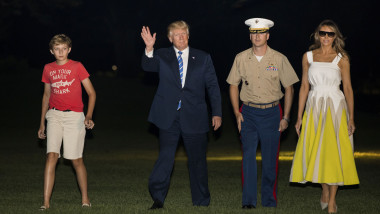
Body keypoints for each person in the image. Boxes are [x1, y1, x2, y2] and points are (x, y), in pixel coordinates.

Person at [140, 20, 222, 209]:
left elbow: (213, 86)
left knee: (198, 161)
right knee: (166, 158)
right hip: (169, 116)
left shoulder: (203, 57)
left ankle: (201, 201)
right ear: (170, 38)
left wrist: (217, 112)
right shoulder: (161, 55)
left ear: (188, 35)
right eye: (177, 34)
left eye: (184, 33)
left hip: (195, 115)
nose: (182, 37)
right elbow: (148, 66)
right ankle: (158, 198)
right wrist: (149, 48)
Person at [227, 18, 299, 209]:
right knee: (248, 156)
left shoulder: (279, 59)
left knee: (270, 159)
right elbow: (233, 85)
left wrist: (286, 117)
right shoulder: (240, 58)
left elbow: (290, 88)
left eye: (261, 33)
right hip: (248, 113)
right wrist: (236, 113)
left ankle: (269, 200)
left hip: (272, 113)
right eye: (254, 33)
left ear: (267, 35)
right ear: (250, 35)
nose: (257, 37)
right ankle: (248, 201)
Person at [289, 20, 359, 213]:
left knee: (334, 151)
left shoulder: (342, 58)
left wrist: (351, 117)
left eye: (330, 34)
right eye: (323, 33)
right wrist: (299, 117)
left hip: (336, 107)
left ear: (336, 36)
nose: (326, 38)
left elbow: (348, 89)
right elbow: (304, 87)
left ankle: (333, 200)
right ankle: (324, 191)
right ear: (317, 35)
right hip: (314, 107)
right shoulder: (308, 57)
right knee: (316, 150)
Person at [37, 34, 96, 210]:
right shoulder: (48, 68)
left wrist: (89, 116)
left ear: (69, 49)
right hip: (54, 115)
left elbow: (91, 93)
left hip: (74, 117)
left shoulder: (77, 67)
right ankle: (45, 203)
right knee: (51, 156)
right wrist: (42, 123)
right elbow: (46, 96)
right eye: (57, 49)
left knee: (75, 160)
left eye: (64, 48)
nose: (60, 52)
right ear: (51, 51)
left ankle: (85, 199)